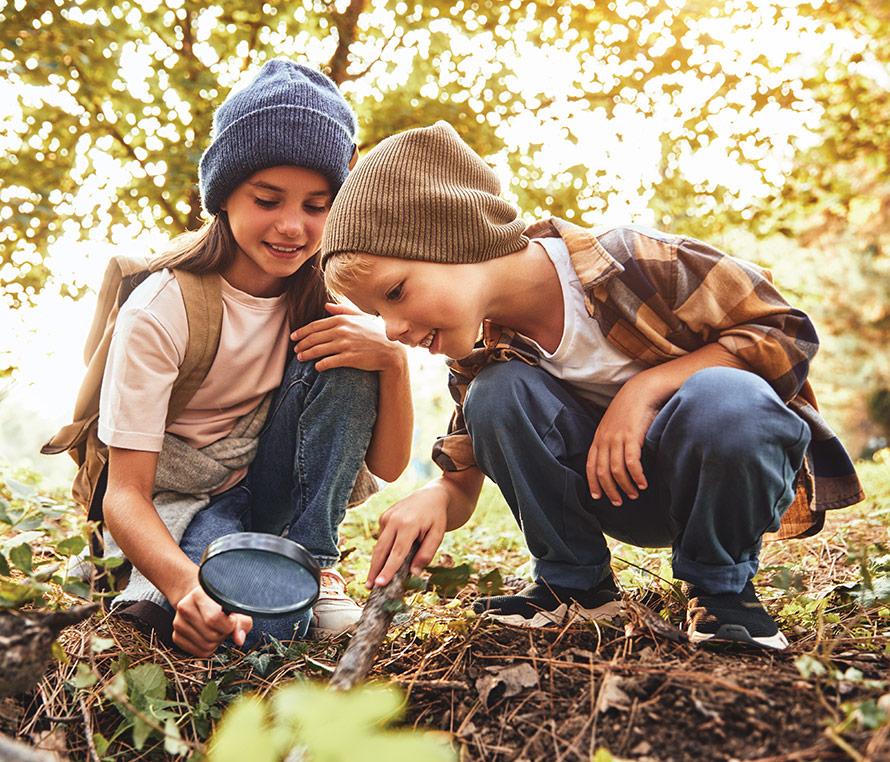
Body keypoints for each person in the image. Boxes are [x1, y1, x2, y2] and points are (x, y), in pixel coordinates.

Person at [318, 121, 864, 651]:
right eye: (374, 312)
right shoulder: (480, 354)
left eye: (394, 292)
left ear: (456, 239)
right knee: (497, 391)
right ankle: (576, 586)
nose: (391, 329)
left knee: (728, 397)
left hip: (720, 478)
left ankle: (723, 594)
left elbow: (784, 333)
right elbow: (463, 480)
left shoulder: (635, 262)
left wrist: (643, 390)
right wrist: (436, 497)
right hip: (619, 497)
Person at [99, 60, 412, 657]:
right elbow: (125, 493)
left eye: (317, 207)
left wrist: (391, 360)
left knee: (350, 352)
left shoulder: (326, 301)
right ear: (224, 196)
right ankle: (180, 575)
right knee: (245, 632)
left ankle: (314, 563)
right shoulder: (162, 310)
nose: (292, 227)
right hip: (183, 498)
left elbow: (390, 466)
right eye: (268, 199)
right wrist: (186, 588)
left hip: (270, 484)